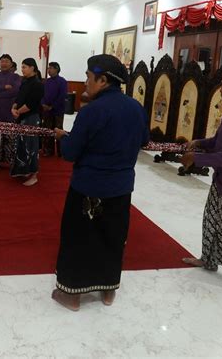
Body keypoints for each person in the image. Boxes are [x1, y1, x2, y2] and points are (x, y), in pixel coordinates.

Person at [52, 54, 149, 311]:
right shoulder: (136, 108)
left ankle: (71, 296)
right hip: (121, 188)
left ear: (103, 80)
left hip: (88, 188)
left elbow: (71, 153)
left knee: (78, 238)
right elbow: (143, 141)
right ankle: (108, 293)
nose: (85, 82)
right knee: (113, 237)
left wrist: (63, 138)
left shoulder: (92, 111)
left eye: (87, 77)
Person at [180, 74, 222, 271]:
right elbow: (217, 143)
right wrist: (199, 143)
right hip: (220, 180)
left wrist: (196, 159)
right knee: (210, 220)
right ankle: (207, 259)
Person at [10, 58, 44, 186]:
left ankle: (34, 174)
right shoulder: (25, 81)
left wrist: (18, 111)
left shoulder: (38, 84)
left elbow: (31, 104)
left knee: (31, 146)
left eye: (24, 67)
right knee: (21, 145)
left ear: (32, 68)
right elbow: (19, 97)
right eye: (22, 67)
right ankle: (23, 170)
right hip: (22, 117)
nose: (22, 69)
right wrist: (13, 107)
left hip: (31, 118)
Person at [0, 54, 21, 169]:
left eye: (7, 61)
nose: (4, 63)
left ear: (11, 64)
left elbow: (16, 91)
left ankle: (9, 160)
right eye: (2, 61)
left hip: (9, 109)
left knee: (9, 136)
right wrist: (4, 87)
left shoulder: (16, 77)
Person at [41, 62, 67, 157]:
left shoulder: (62, 81)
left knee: (58, 130)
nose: (49, 70)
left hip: (57, 110)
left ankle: (61, 151)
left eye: (51, 68)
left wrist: (52, 106)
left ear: (56, 69)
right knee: (48, 130)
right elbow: (42, 94)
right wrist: (43, 103)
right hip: (47, 110)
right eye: (48, 68)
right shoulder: (46, 81)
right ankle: (48, 150)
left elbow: (62, 96)